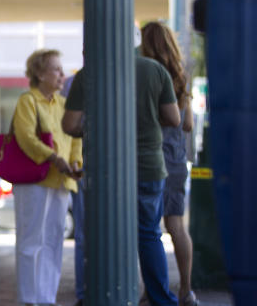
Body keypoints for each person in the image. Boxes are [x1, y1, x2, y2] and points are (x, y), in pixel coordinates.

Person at [62, 35, 182, 306]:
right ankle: (161, 299)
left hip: (105, 168)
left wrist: (93, 127)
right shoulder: (155, 70)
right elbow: (174, 118)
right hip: (149, 165)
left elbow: (69, 125)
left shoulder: (88, 74)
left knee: (103, 233)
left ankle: (105, 294)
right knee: (150, 233)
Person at [11, 49, 82, 306]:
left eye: (61, 69)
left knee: (53, 242)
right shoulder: (27, 101)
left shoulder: (64, 104)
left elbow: (75, 138)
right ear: (40, 74)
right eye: (56, 69)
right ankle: (29, 300)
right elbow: (26, 138)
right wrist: (54, 158)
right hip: (35, 180)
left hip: (61, 180)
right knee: (31, 241)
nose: (62, 74)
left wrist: (75, 163)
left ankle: (46, 299)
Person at [140, 22, 199, 306]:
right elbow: (186, 124)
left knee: (147, 228)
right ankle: (186, 290)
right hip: (175, 157)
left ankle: (150, 290)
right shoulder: (180, 75)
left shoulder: (143, 72)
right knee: (176, 226)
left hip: (149, 155)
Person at [61, 72, 86, 306]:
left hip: (82, 164)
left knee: (83, 233)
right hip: (82, 166)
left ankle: (83, 293)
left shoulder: (75, 82)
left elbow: (70, 127)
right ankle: (83, 292)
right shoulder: (74, 82)